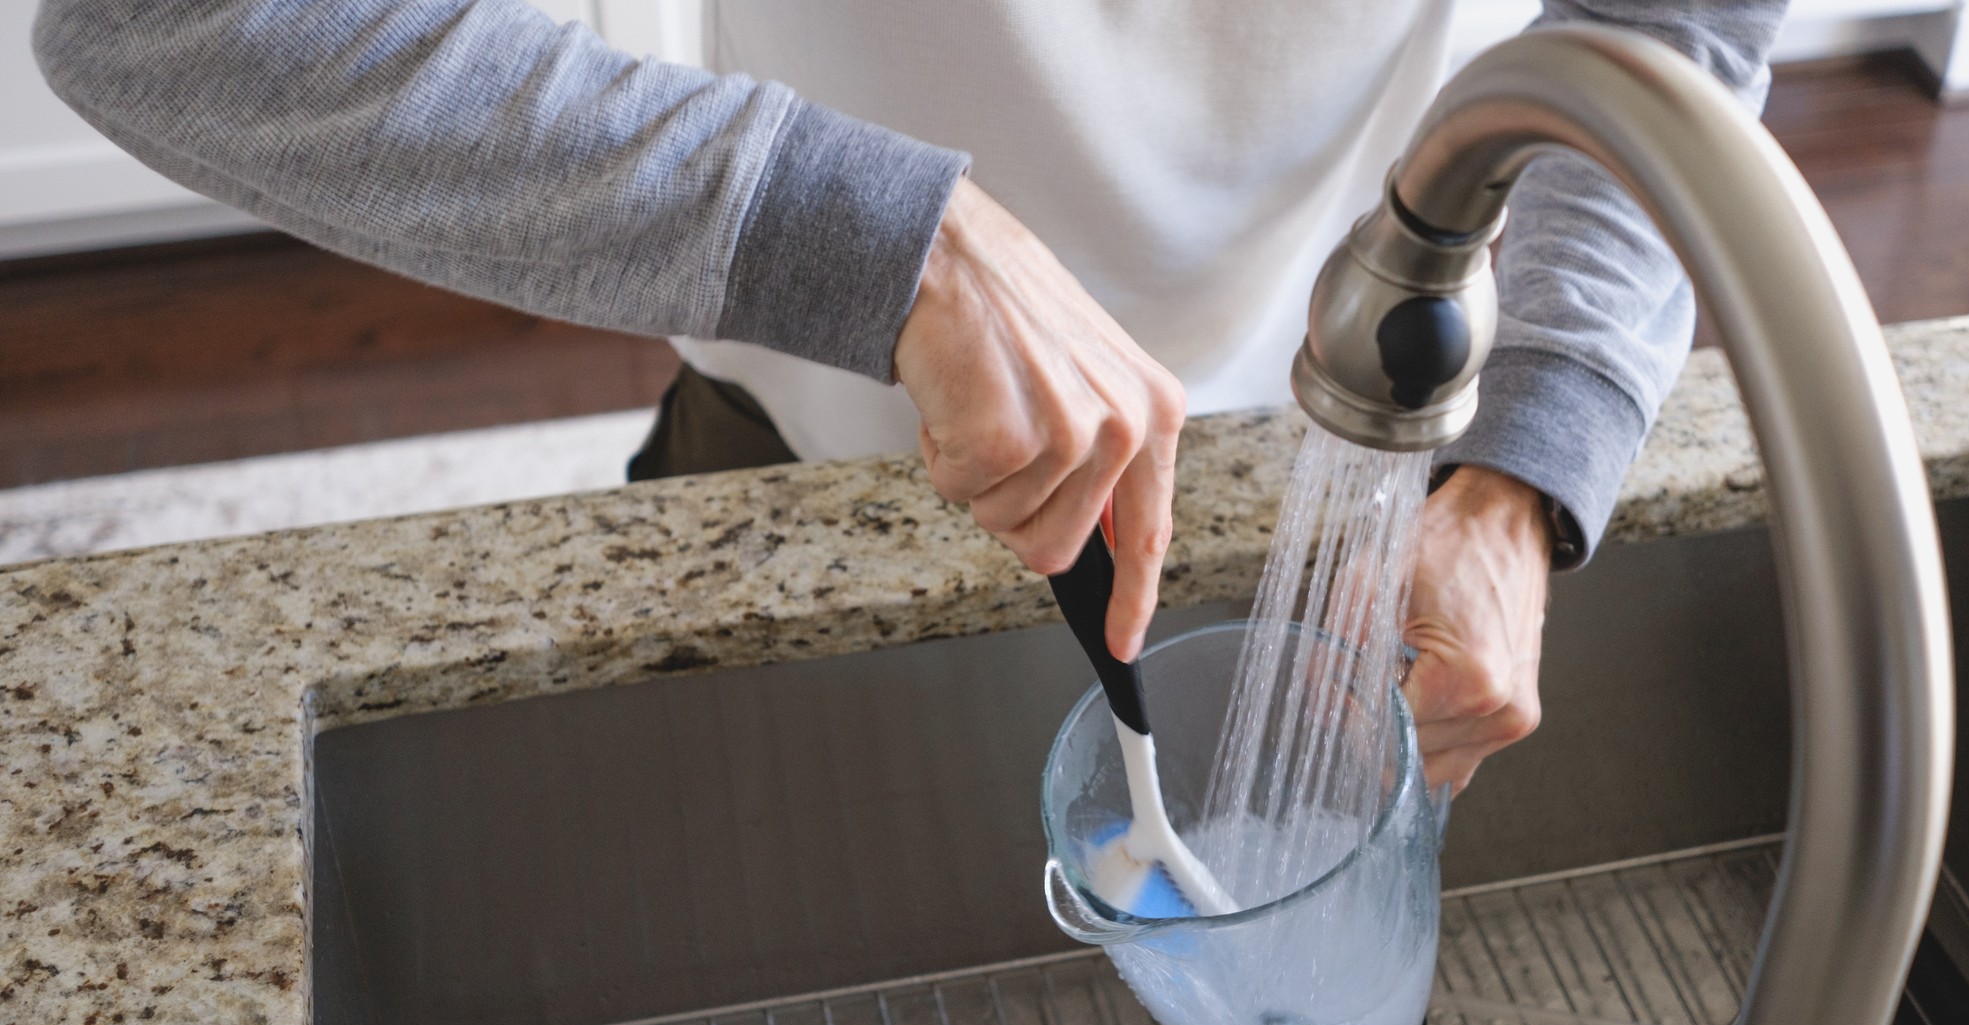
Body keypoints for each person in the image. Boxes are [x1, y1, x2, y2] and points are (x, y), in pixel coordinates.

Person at [34, 0, 1785, 794]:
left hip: (1313, 493)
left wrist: (1531, 460)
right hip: (790, 449)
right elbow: (166, 23)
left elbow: (1669, 29)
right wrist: (881, 239)